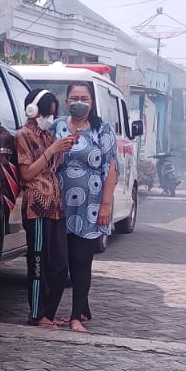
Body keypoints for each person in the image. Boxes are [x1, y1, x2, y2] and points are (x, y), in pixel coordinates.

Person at [53, 81, 117, 334]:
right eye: (75, 97)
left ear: (92, 102)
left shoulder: (102, 129)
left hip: (90, 206)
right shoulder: (57, 127)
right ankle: (82, 308)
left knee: (82, 260)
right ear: (67, 101)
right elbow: (47, 158)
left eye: (85, 98)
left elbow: (110, 168)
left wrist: (106, 205)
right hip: (59, 206)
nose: (80, 102)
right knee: (63, 261)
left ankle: (76, 316)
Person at [15, 89, 75, 326]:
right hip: (37, 207)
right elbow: (28, 174)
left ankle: (49, 313)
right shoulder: (23, 135)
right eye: (48, 112)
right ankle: (37, 314)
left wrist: (63, 148)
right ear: (33, 110)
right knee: (38, 261)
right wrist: (51, 151)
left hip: (56, 206)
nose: (50, 117)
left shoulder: (49, 136)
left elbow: (52, 168)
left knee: (60, 264)